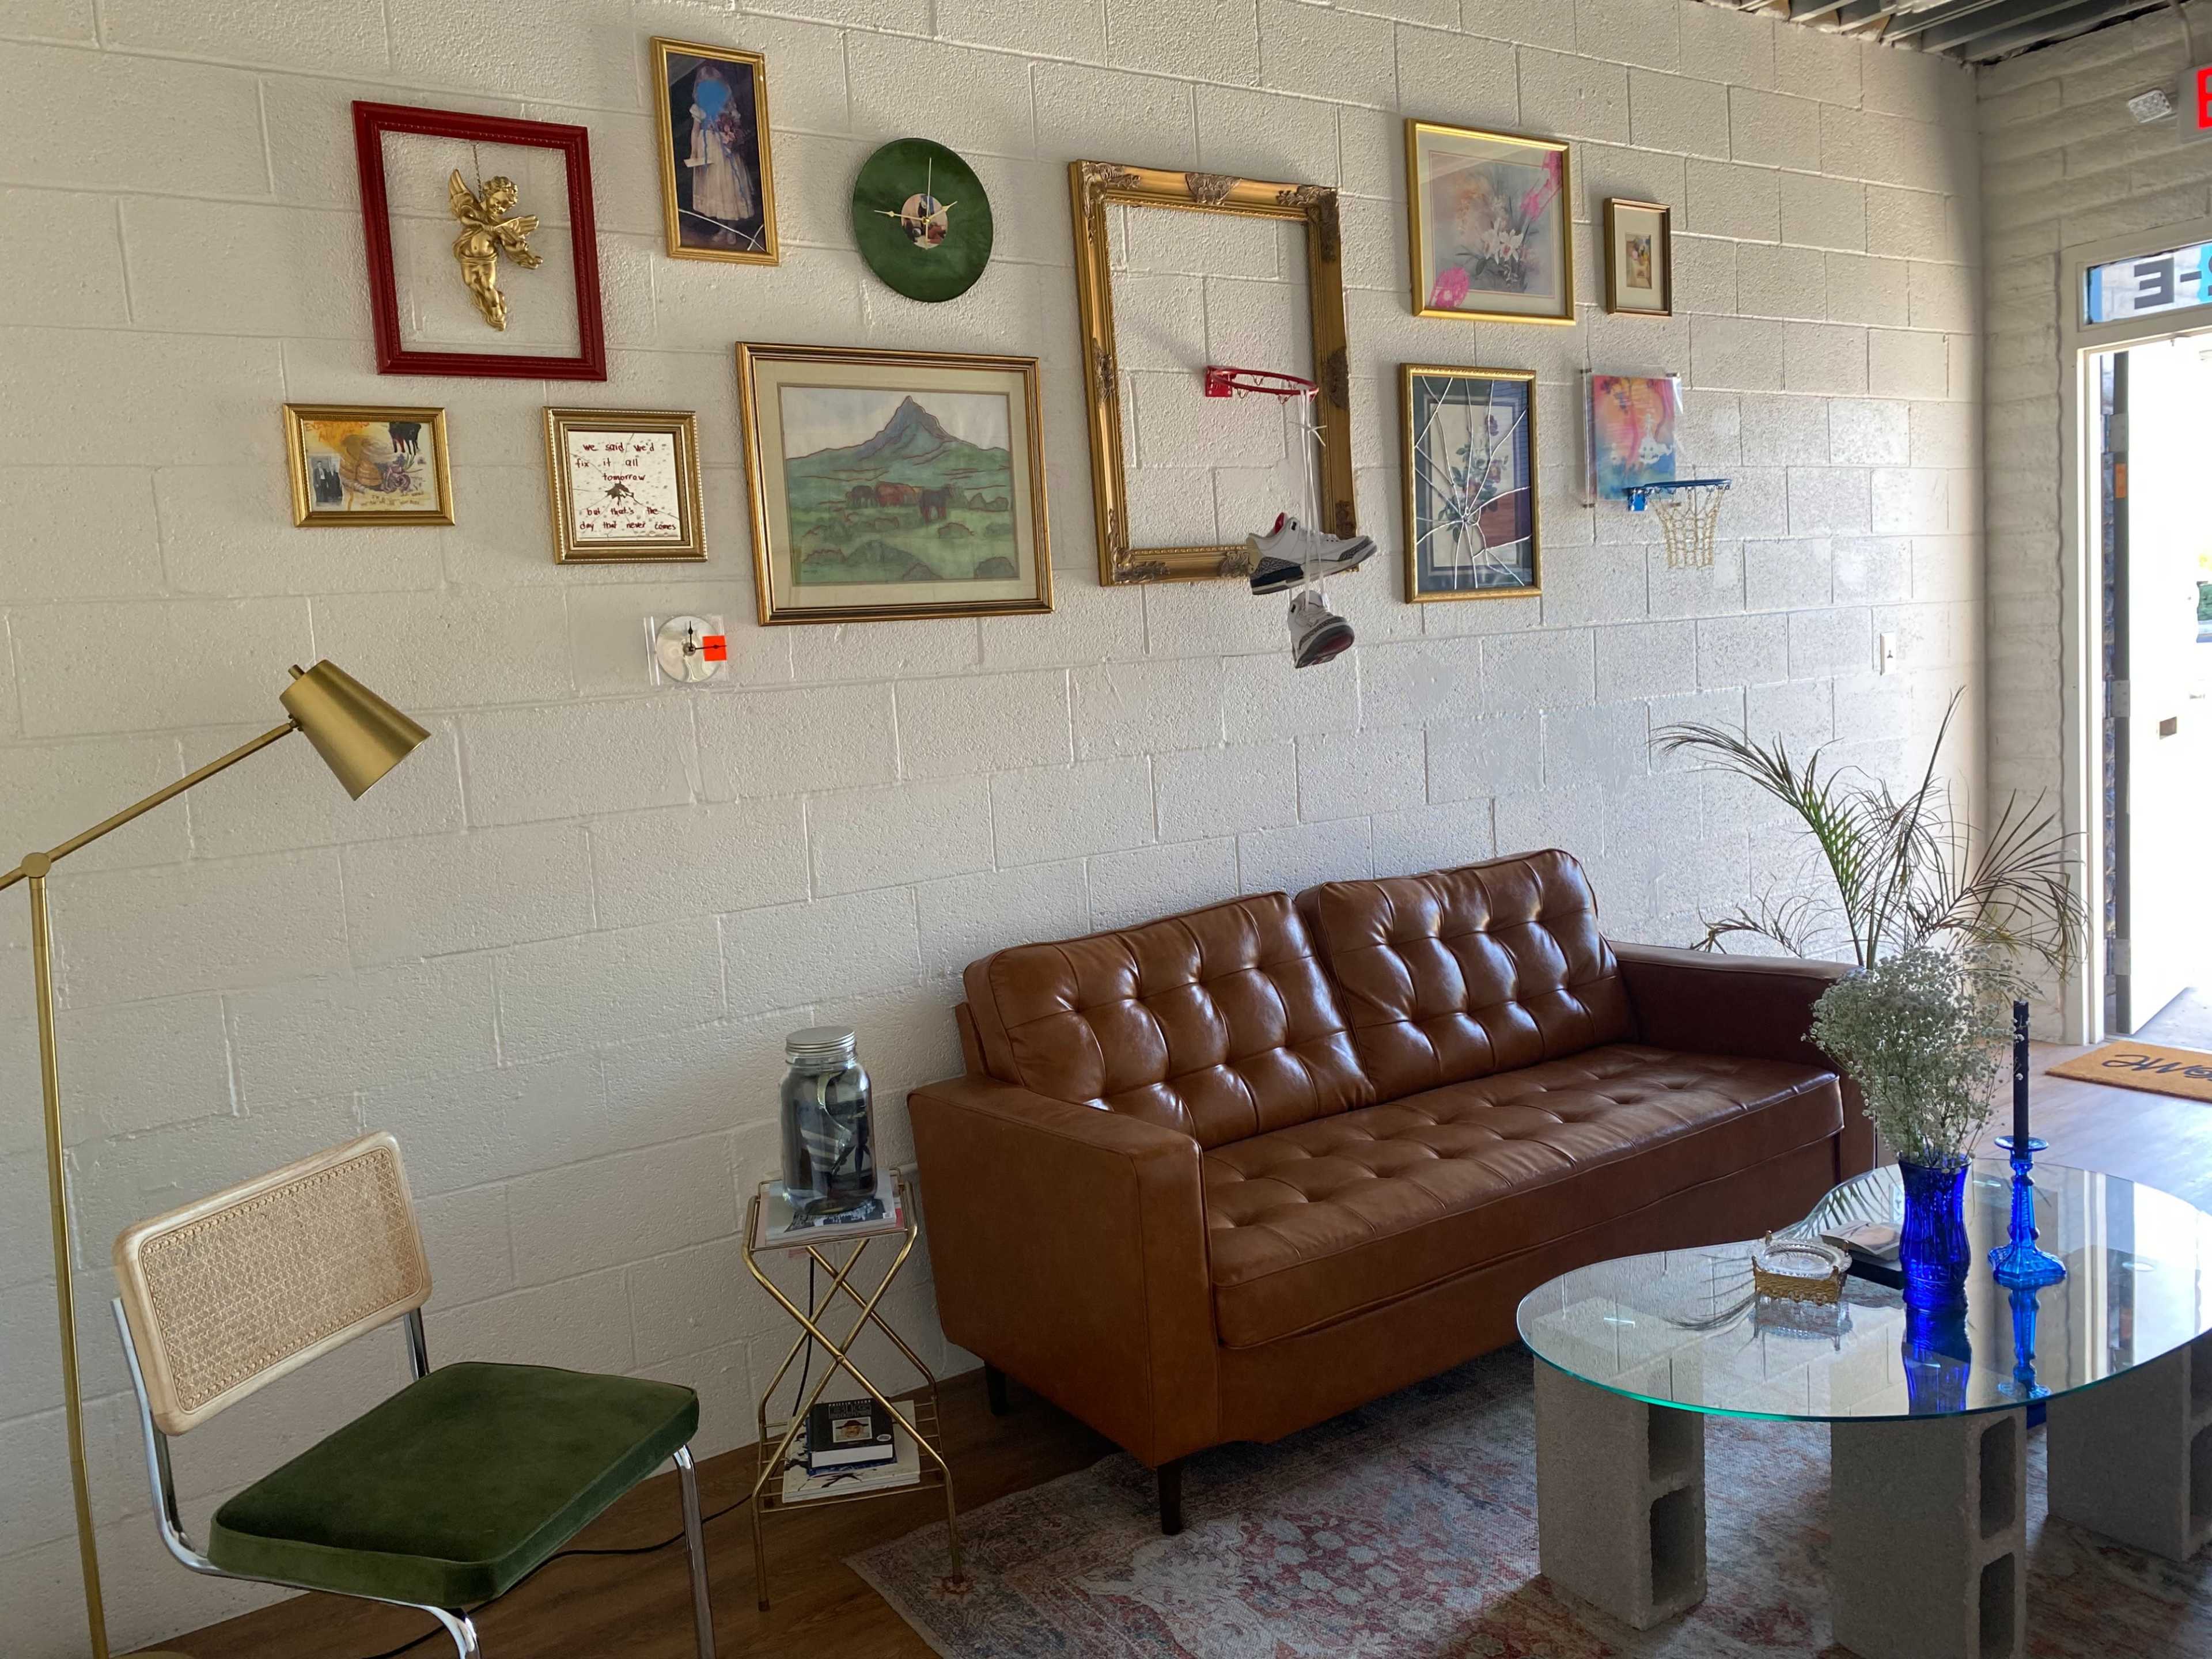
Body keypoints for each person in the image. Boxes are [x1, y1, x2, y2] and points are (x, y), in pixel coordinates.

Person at [685, 63, 757, 248]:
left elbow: (737, 129)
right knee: (715, 189)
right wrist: (694, 152)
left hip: (726, 153)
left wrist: (733, 137)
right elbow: (694, 132)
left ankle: (731, 228)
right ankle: (722, 228)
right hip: (708, 151)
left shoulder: (728, 111)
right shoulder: (699, 109)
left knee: (728, 188)